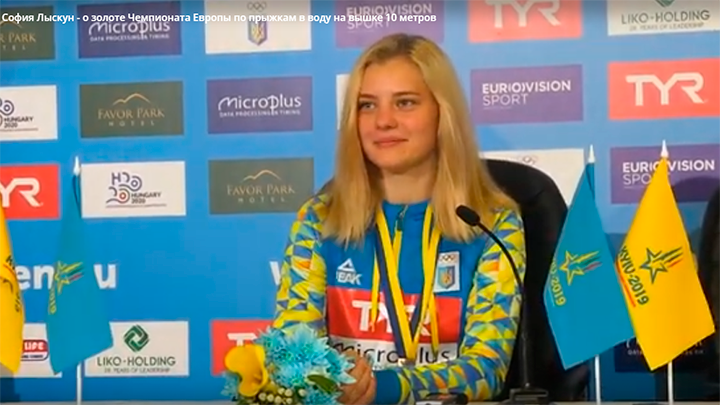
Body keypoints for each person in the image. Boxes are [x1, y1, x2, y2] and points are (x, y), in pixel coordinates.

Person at [272, 33, 526, 405]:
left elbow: (485, 369)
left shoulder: (493, 225)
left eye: (405, 102)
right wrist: (331, 380)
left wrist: (383, 387)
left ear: (442, 112)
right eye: (367, 105)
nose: (384, 121)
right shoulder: (319, 219)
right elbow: (290, 354)